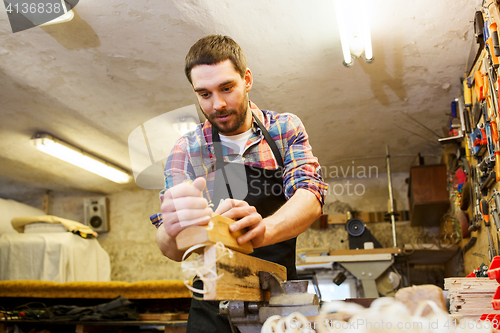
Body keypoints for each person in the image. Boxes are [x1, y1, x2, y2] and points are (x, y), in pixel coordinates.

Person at [154, 34, 327, 333]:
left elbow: (309, 196)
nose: (218, 104)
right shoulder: (187, 148)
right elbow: (171, 247)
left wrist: (264, 231)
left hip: (277, 298)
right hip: (213, 303)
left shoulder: (284, 129)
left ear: (246, 80)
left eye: (226, 88)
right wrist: (172, 229)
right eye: (204, 94)